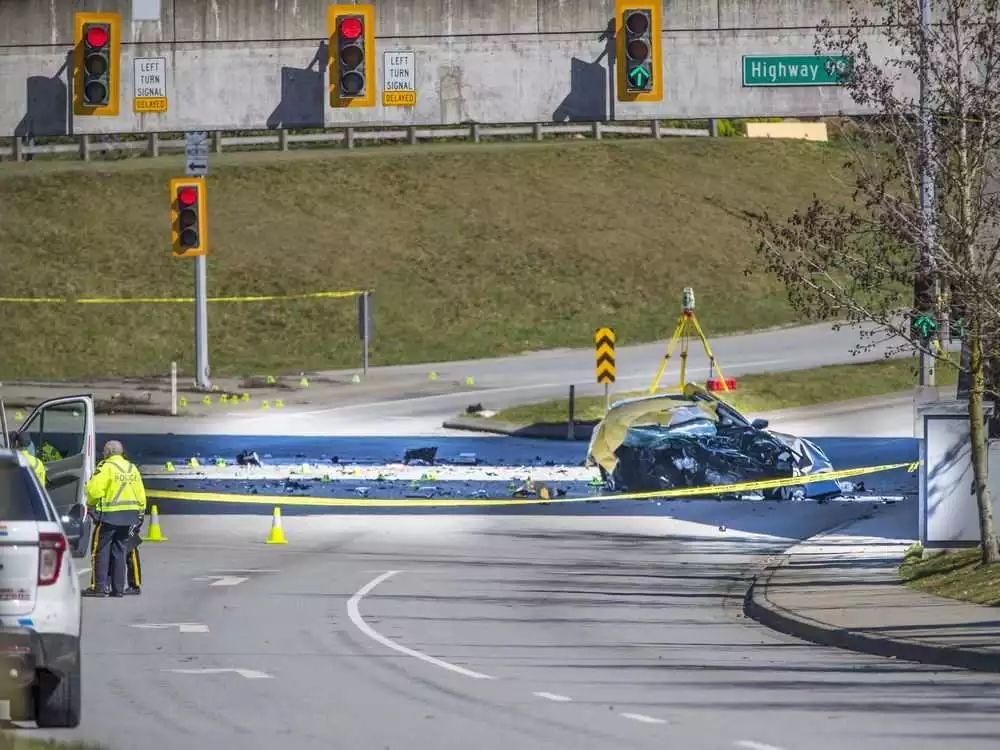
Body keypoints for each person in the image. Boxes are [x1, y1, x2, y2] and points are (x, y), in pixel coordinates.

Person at [84, 440, 147, 598]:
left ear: (107, 452)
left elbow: (94, 490)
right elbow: (141, 493)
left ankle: (99, 587)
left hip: (110, 516)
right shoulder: (132, 468)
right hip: (129, 516)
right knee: (120, 551)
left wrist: (90, 505)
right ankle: (118, 589)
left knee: (100, 550)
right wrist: (140, 514)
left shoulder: (106, 468)